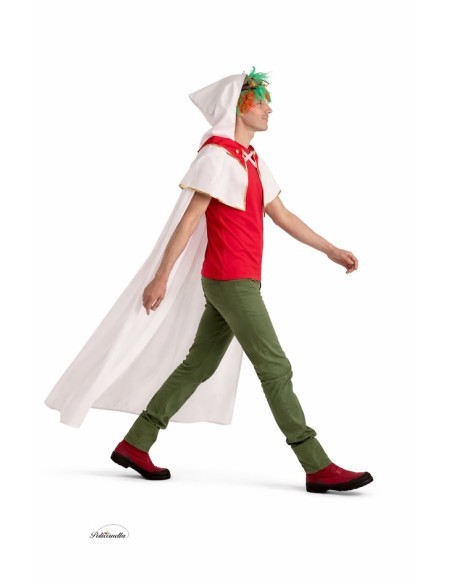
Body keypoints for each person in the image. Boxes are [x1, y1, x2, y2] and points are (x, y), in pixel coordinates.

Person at [109, 67, 373, 493]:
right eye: (261, 101)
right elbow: (188, 221)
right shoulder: (216, 158)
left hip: (234, 280)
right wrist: (160, 278)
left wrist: (330, 249)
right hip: (231, 280)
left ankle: (136, 443)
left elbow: (282, 215)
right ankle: (316, 465)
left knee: (198, 365)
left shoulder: (252, 160)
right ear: (239, 107)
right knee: (275, 366)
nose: (269, 109)